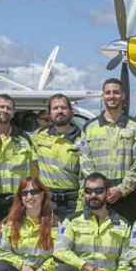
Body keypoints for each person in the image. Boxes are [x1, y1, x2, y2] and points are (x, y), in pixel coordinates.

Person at [79, 78, 136, 223]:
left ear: (123, 96)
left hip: (127, 197)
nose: (112, 96)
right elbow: (85, 160)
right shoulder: (89, 127)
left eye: (116, 92)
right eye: (108, 92)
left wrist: (122, 189)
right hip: (96, 197)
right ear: (103, 96)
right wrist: (98, 190)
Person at [0, 94, 37, 227]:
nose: (5, 110)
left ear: (13, 113)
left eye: (8, 108)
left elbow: (34, 172)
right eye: (1, 107)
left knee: (16, 242)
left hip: (17, 201)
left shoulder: (25, 139)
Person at [32, 93, 82, 221]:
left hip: (72, 202)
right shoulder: (38, 136)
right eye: (55, 108)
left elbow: (86, 174)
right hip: (46, 200)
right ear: (50, 113)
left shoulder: (82, 139)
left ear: (71, 112)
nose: (59, 111)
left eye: (63, 108)